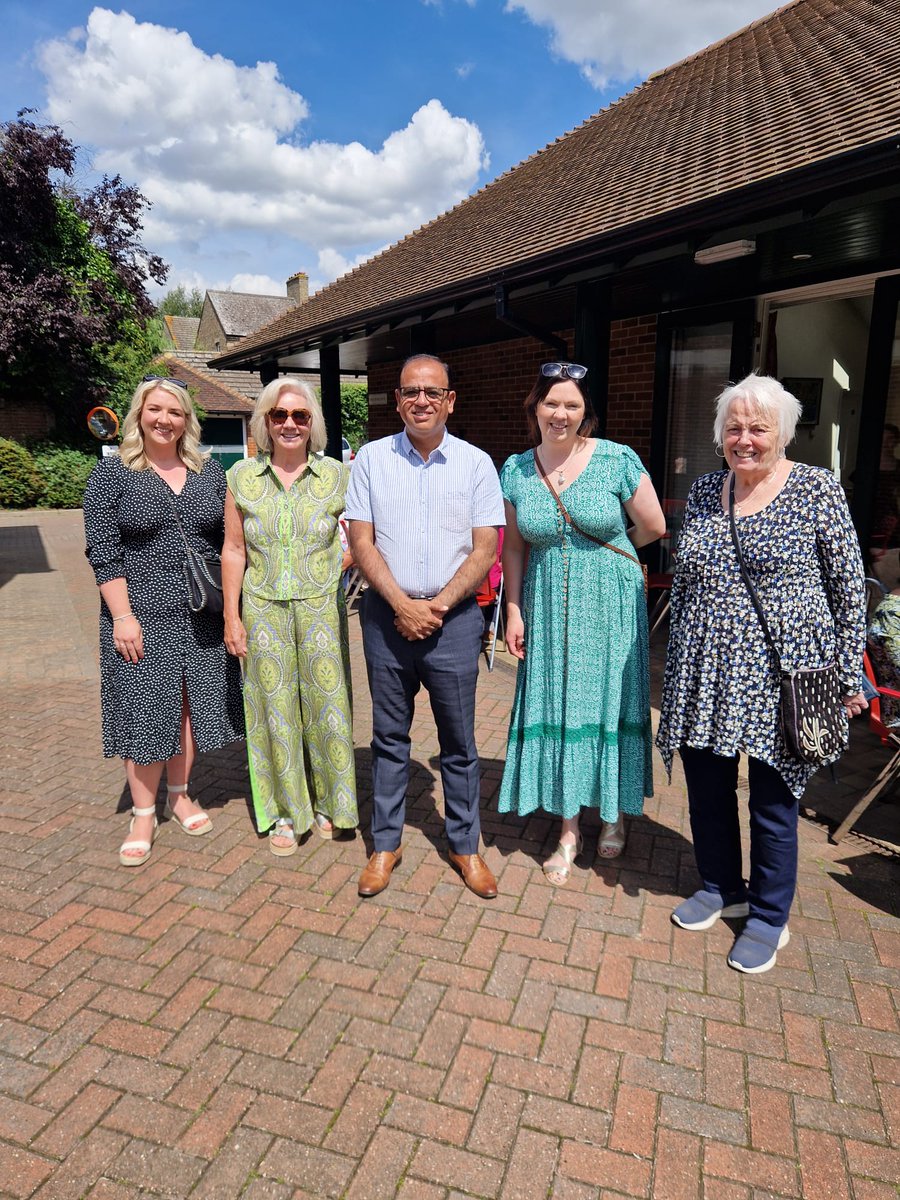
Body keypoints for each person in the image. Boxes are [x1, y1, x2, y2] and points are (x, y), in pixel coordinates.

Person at [656, 374, 867, 973]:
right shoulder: (702, 490)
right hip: (704, 667)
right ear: (720, 433)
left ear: (782, 434)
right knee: (708, 788)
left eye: (758, 427)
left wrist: (847, 675)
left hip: (784, 672)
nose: (744, 438)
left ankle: (770, 917)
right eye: (734, 427)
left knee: (774, 800)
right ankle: (723, 885)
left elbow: (847, 589)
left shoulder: (816, 490)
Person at [498, 361, 666, 885]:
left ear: (584, 412)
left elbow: (654, 526)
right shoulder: (517, 469)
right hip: (547, 602)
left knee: (611, 702)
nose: (561, 413)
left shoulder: (617, 458)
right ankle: (569, 829)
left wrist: (612, 557)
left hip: (610, 602)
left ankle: (613, 816)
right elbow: (515, 546)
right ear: (536, 408)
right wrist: (513, 608)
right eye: (552, 403)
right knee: (563, 703)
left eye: (572, 404)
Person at [345, 354, 505, 899]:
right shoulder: (369, 459)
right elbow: (361, 542)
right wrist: (402, 604)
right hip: (386, 618)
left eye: (432, 392)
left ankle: (465, 845)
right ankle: (384, 844)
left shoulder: (477, 464)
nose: (421, 401)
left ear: (449, 400)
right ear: (397, 400)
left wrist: (434, 606)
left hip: (454, 620)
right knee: (389, 738)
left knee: (459, 742)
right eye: (410, 391)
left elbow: (486, 549)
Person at [83, 376, 244, 867]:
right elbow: (103, 551)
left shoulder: (210, 473)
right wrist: (122, 616)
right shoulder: (113, 475)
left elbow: (231, 542)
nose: (164, 420)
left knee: (188, 708)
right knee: (146, 713)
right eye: (155, 409)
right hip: (141, 613)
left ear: (186, 421)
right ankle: (143, 813)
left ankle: (180, 793)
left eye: (174, 412)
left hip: (199, 614)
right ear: (138, 415)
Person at [222, 379, 358, 855]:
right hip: (261, 610)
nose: (290, 424)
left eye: (300, 416)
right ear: (265, 421)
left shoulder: (336, 476)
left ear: (313, 424)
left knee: (328, 707)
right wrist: (231, 617)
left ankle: (332, 804)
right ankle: (286, 812)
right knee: (274, 711)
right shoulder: (241, 476)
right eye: (279, 415)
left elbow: (364, 539)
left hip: (321, 610)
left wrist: (331, 570)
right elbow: (234, 549)